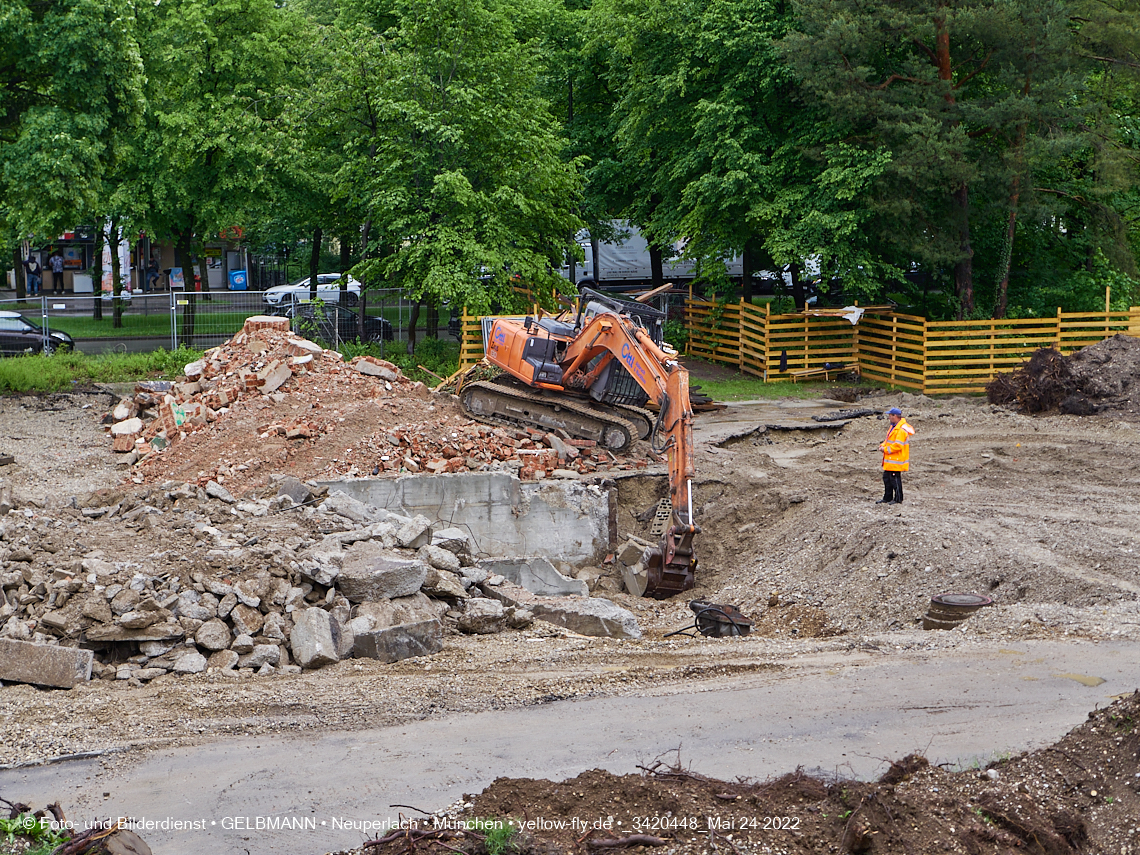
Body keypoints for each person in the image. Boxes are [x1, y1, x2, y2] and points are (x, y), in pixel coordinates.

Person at [877, 407, 914, 505]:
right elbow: (888, 440)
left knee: (895, 480)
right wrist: (882, 445)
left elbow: (898, 445)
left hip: (896, 460)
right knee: (887, 478)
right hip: (891, 460)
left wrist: (885, 449)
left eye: (890, 415)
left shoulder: (901, 430)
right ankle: (887, 498)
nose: (889, 417)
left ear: (895, 416)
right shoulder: (894, 427)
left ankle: (898, 499)